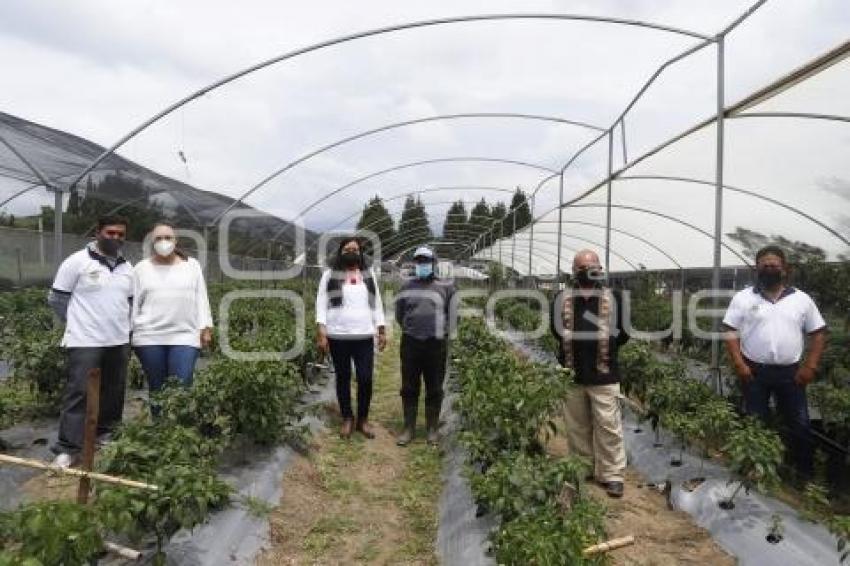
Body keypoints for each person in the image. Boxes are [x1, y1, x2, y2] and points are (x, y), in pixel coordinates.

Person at [723, 245, 827, 482]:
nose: (770, 269)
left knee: (799, 424)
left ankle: (802, 477)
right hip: (754, 372)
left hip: (791, 374)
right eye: (765, 265)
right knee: (755, 422)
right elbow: (730, 330)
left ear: (785, 269)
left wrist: (810, 366)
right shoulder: (744, 297)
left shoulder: (801, 299)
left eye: (774, 266)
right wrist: (739, 364)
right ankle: (752, 472)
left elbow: (819, 333)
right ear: (757, 269)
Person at [47, 215, 133, 468]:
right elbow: (57, 299)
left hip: (118, 340)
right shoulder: (77, 262)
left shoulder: (127, 268)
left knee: (114, 389)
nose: (115, 238)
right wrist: (77, 322)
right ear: (97, 233)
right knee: (79, 392)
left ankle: (106, 434)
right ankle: (68, 448)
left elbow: (128, 302)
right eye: (110, 232)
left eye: (120, 234)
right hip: (86, 340)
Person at [551, 249, 629, 498]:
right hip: (572, 373)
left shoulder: (614, 297)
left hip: (604, 374)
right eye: (583, 268)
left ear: (600, 270)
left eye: (593, 267)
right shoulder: (562, 298)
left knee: (608, 426)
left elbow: (624, 334)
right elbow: (556, 330)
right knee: (577, 426)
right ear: (574, 271)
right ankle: (582, 468)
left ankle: (612, 474)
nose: (588, 272)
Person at [131, 222, 213, 403]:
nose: (164, 242)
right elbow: (133, 303)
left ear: (176, 241)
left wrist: (205, 327)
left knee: (182, 387)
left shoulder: (192, 266)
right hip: (149, 337)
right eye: (159, 238)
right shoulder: (141, 268)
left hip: (185, 336)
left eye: (168, 238)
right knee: (157, 388)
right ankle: (160, 429)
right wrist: (130, 332)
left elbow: (201, 297)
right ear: (152, 243)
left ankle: (180, 429)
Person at [315, 236, 386, 439]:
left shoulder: (368, 274)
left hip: (363, 335)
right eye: (347, 249)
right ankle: (347, 417)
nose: (351, 252)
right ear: (340, 253)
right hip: (338, 335)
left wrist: (381, 329)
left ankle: (362, 419)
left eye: (355, 249)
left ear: (361, 253)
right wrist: (322, 331)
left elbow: (377, 302)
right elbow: (321, 303)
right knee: (343, 378)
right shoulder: (330, 275)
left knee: (365, 378)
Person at [394, 246, 455, 447]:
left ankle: (432, 429)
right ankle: (409, 428)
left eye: (426, 261)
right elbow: (399, 315)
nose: (422, 265)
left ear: (434, 263)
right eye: (419, 261)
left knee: (435, 387)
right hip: (411, 342)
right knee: (409, 386)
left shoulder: (446, 287)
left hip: (436, 344)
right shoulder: (406, 287)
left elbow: (453, 315)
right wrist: (412, 327)